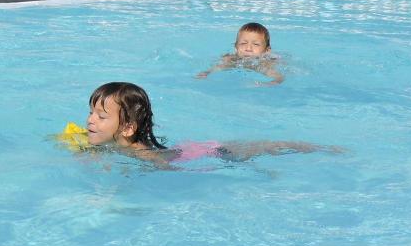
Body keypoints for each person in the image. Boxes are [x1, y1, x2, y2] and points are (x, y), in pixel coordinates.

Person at [78, 81, 335, 165]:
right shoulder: (109, 144)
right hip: (188, 149)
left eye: (101, 116)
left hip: (203, 152)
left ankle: (311, 147)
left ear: (127, 128)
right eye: (91, 112)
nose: (91, 120)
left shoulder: (143, 155)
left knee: (262, 149)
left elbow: (166, 169)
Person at [196, 22, 283, 84]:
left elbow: (278, 78)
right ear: (236, 47)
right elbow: (218, 67)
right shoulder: (231, 59)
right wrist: (207, 72)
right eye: (243, 43)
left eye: (256, 44)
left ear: (267, 50)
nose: (248, 48)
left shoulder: (265, 63)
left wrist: (268, 84)